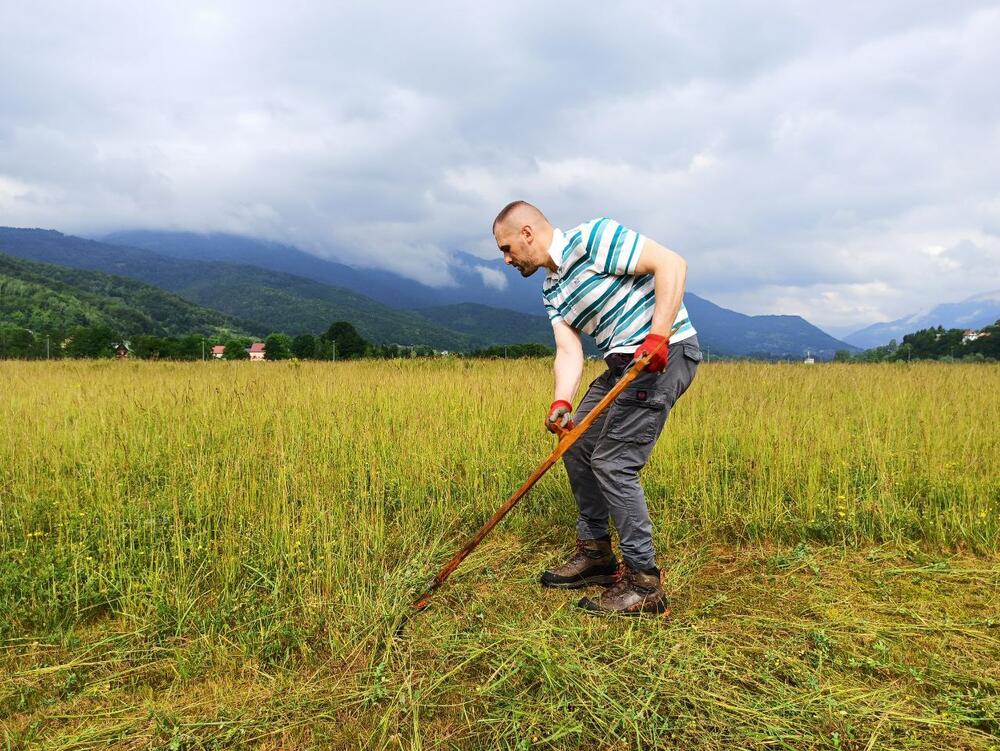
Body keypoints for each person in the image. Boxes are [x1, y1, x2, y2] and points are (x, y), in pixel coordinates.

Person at [492, 200, 701, 615]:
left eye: (507, 248)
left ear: (528, 233)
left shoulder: (594, 239)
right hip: (621, 365)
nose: (506, 259)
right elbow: (569, 351)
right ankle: (597, 555)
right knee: (577, 443)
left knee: (613, 462)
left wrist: (657, 336)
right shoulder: (552, 290)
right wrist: (562, 401)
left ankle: (644, 583)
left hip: (664, 353)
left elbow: (672, 264)